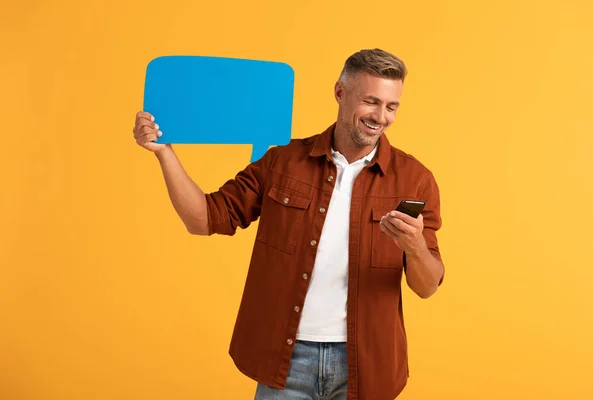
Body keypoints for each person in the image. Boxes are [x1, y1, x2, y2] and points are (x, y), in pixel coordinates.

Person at [132, 48, 445, 400]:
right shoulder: (282, 160)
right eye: (371, 102)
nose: (380, 117)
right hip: (286, 360)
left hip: (367, 363)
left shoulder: (414, 180)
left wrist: (415, 246)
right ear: (340, 93)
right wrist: (165, 152)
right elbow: (203, 219)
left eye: (391, 106)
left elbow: (427, 285)